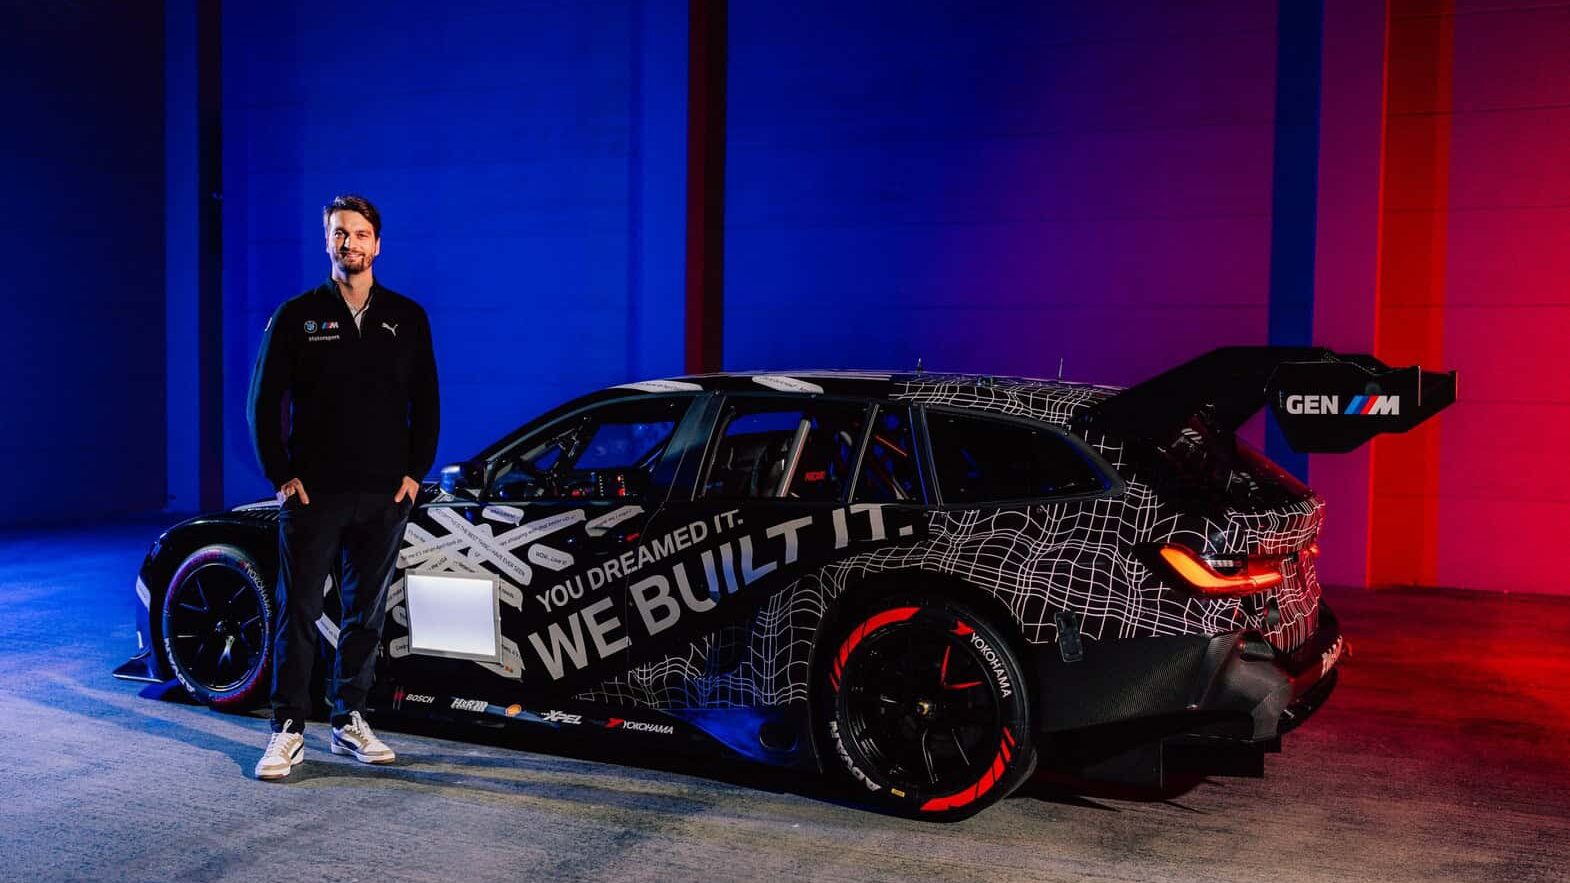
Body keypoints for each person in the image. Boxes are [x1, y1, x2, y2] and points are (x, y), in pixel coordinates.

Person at [246, 194, 439, 780]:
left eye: (358, 233)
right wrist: (281, 475)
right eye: (339, 233)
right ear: (326, 241)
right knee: (298, 612)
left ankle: (349, 719)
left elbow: (427, 403)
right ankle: (287, 728)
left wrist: (414, 473)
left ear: (376, 244)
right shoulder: (297, 315)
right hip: (314, 495)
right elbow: (263, 402)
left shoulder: (407, 317)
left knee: (364, 616)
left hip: (383, 497)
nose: (348, 242)